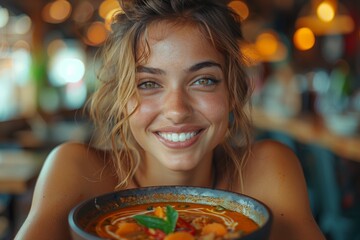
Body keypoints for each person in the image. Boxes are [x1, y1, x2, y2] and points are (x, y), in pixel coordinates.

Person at [15, 0, 325, 239]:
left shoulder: (269, 169)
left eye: (203, 80)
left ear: (234, 91)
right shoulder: (75, 170)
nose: (177, 110)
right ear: (121, 99)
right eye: (148, 84)